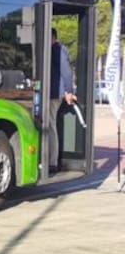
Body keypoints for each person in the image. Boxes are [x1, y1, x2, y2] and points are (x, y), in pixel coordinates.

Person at [48, 27, 76, 173]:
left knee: (50, 125)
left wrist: (69, 91)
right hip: (50, 92)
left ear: (53, 38)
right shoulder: (52, 50)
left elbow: (66, 71)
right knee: (49, 124)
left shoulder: (58, 50)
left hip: (54, 94)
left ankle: (52, 162)